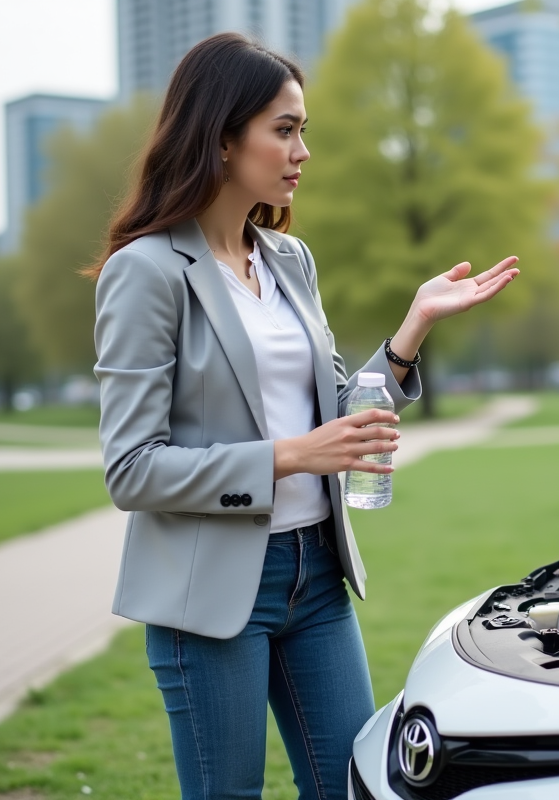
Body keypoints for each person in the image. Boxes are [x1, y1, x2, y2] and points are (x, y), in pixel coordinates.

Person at [87, 32, 519, 800]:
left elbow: (336, 412)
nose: (303, 152)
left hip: (316, 574)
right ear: (222, 140)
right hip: (212, 593)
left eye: (303, 131)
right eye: (284, 130)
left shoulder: (291, 261)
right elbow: (133, 469)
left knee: (350, 787)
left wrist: (412, 327)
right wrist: (290, 456)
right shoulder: (146, 272)